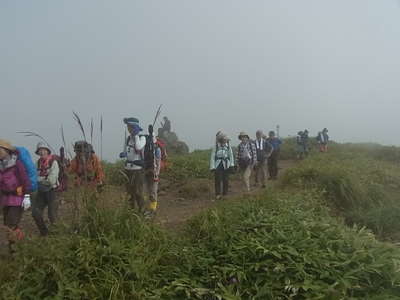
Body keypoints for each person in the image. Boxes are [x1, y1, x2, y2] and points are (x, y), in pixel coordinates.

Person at [0, 140, 31, 252]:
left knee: (11, 225)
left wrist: (27, 196)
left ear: (7, 150)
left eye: (0, 149)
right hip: (6, 200)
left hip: (17, 199)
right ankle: (18, 246)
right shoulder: (1, 166)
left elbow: (25, 180)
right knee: (7, 225)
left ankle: (15, 250)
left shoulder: (17, 164)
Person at [32, 142, 60, 236]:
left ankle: (57, 235)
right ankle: (44, 233)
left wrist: (39, 180)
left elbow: (51, 181)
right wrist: (42, 180)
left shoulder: (54, 162)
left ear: (47, 151)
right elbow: (33, 177)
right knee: (36, 213)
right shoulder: (37, 163)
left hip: (52, 191)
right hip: (41, 192)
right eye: (40, 151)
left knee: (52, 215)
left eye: (43, 150)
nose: (41, 152)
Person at [120, 118, 147, 212]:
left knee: (138, 192)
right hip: (128, 168)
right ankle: (131, 211)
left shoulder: (142, 138)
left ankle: (142, 211)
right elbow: (125, 151)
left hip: (137, 169)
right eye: (128, 127)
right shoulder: (128, 139)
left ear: (135, 127)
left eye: (130, 127)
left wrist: (136, 136)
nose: (128, 129)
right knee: (129, 191)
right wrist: (123, 154)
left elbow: (138, 147)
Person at [210, 132, 234, 200]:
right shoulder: (216, 146)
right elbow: (212, 156)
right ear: (221, 140)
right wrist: (212, 167)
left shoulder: (228, 146)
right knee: (218, 179)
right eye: (224, 139)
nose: (225, 140)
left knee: (226, 179)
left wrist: (232, 165)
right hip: (218, 164)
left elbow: (231, 155)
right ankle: (217, 194)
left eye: (226, 139)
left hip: (226, 164)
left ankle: (225, 193)